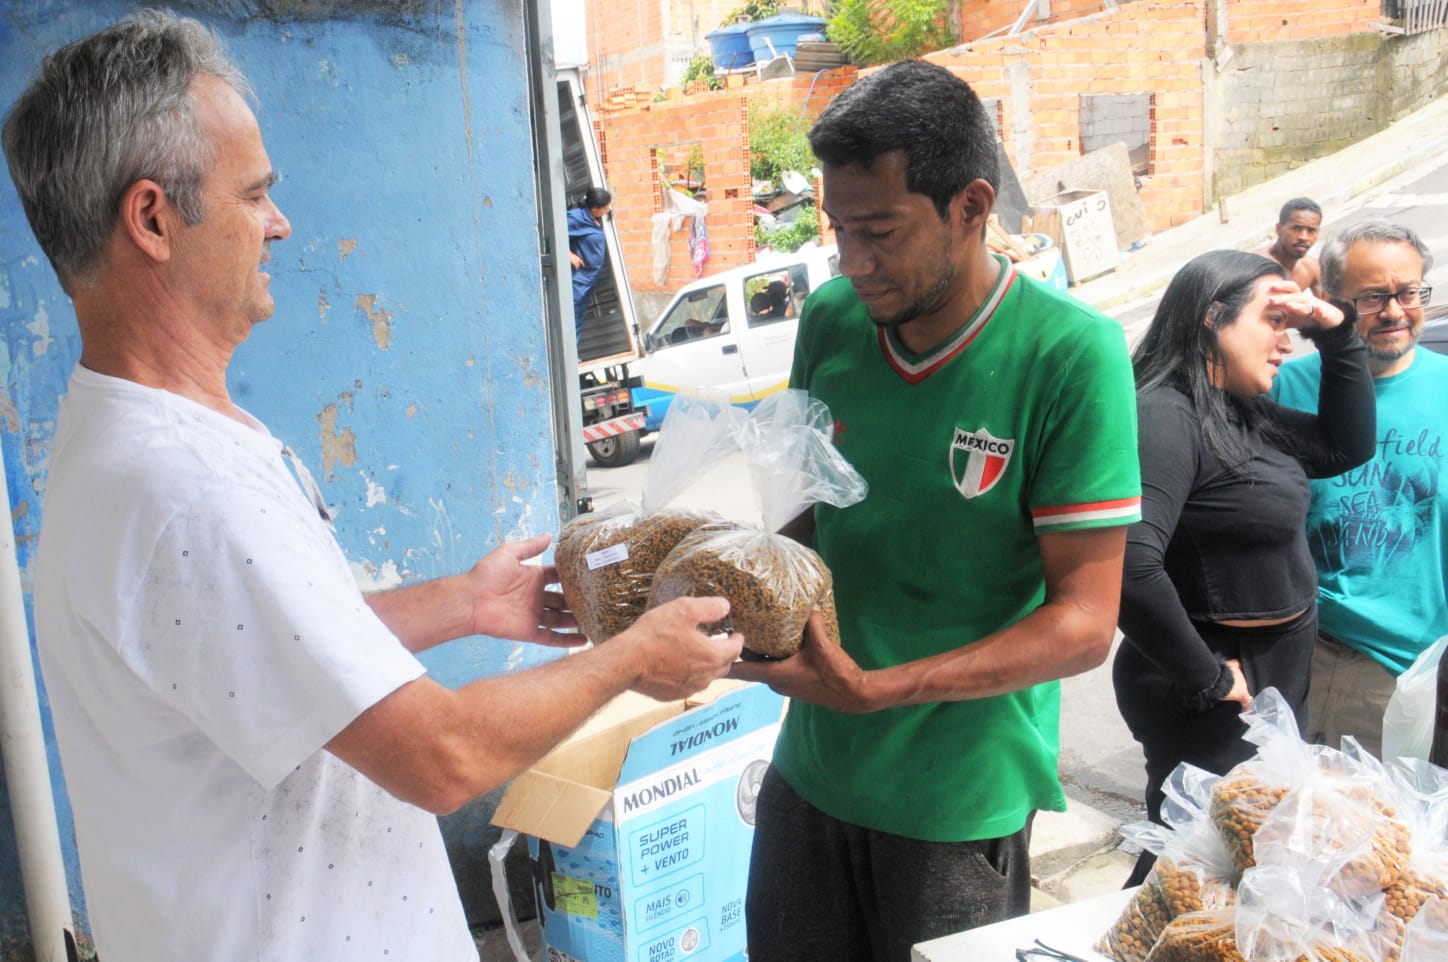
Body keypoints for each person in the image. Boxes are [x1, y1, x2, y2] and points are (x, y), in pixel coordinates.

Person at [2, 13, 742, 961]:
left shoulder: (125, 441)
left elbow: (262, 654)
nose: (281, 223)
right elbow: (444, 757)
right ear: (151, 219)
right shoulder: (186, 489)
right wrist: (634, 660)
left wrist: (465, 605)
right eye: (255, 194)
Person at [729, 60, 1143, 960]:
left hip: (955, 800)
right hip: (810, 769)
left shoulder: (1070, 354)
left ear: (971, 205)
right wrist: (729, 605)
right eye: (838, 230)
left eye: (880, 231)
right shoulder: (833, 320)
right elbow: (804, 518)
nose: (854, 263)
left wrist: (879, 690)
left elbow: (1082, 626)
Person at [1114, 251, 1375, 883]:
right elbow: (1127, 559)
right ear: (1212, 320)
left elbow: (1348, 445)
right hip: (1214, 691)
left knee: (1245, 864)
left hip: (1269, 677)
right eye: (1273, 320)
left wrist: (1334, 332)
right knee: (1196, 872)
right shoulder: (1166, 415)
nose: (1285, 341)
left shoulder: (1238, 410)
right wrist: (1205, 677)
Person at [1271, 220, 1446, 759]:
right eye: (1372, 297)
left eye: (1408, 293)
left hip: (1410, 671)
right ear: (1328, 302)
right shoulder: (1282, 387)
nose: (1394, 311)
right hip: (1299, 653)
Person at [567, 185, 612, 339]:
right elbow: (553, 235)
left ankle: (574, 355)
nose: (608, 209)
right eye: (605, 207)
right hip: (578, 280)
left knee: (578, 317)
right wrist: (569, 255)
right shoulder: (576, 218)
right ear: (594, 209)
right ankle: (569, 356)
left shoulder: (597, 218)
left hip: (589, 280)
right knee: (571, 318)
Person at [1255, 196, 1323, 295]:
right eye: (1296, 228)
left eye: (1311, 230)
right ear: (1279, 229)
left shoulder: (1312, 268)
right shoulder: (1257, 266)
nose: (1303, 237)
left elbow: (1329, 304)